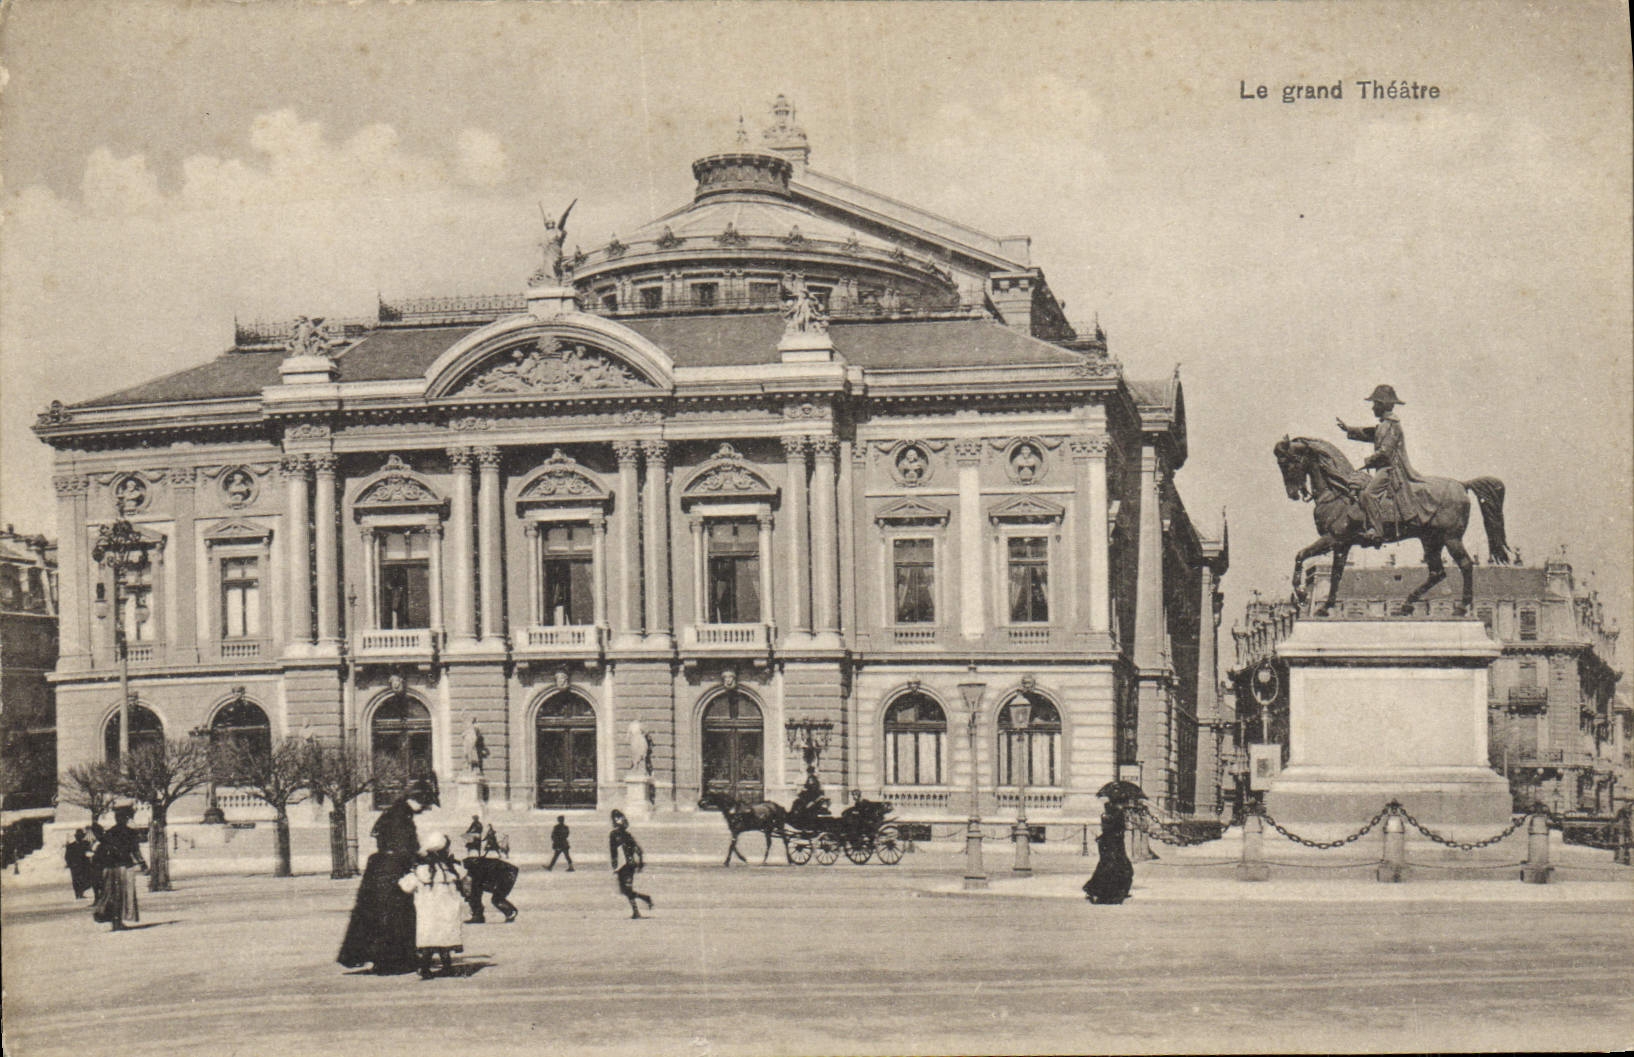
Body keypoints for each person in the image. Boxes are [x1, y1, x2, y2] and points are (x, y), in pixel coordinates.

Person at [337, 775, 437, 975]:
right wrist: (420, 855)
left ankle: (386, 958)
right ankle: (391, 961)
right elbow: (403, 847)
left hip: (382, 869)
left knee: (379, 915)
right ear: (416, 799)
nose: (425, 809)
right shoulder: (401, 817)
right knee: (393, 915)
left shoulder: (396, 813)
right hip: (391, 870)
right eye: (424, 804)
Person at [1337, 384, 1429, 545]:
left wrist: (1367, 461)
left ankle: (1376, 531)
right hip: (1384, 467)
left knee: (1368, 494)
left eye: (1375, 404)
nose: (1373, 408)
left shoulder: (1392, 426)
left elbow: (1385, 452)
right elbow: (1369, 433)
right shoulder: (1384, 425)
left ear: (1383, 405)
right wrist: (1348, 429)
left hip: (1391, 470)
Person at [399, 834, 466, 979]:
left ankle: (425, 968)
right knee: (444, 940)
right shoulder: (451, 868)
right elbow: (465, 881)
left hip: (428, 912)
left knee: (428, 941)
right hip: (448, 911)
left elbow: (405, 886)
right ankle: (447, 966)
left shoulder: (421, 870)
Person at [91, 805, 146, 930]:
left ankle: (114, 921)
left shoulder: (109, 832)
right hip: (124, 867)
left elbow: (102, 848)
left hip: (110, 867)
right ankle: (118, 921)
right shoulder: (131, 833)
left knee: (111, 895)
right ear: (127, 819)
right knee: (123, 895)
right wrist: (142, 863)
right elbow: (135, 850)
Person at [1082, 796, 1134, 905]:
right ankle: (1112, 893)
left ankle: (1096, 890)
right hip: (1114, 845)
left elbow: (1107, 828)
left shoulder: (1107, 813)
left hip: (1108, 844)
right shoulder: (1117, 813)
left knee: (1107, 867)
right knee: (1120, 868)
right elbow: (1118, 830)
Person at [608, 810, 652, 919]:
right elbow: (638, 850)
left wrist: (614, 864)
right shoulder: (625, 835)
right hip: (627, 864)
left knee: (626, 889)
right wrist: (640, 862)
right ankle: (644, 899)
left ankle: (637, 910)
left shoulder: (616, 835)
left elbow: (613, 851)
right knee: (625, 889)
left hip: (626, 865)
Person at [461, 853, 520, 924]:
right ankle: (478, 915)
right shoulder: (472, 866)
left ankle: (510, 912)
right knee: (479, 892)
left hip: (506, 874)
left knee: (496, 899)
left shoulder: (474, 871)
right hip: (507, 872)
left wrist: (469, 896)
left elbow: (473, 890)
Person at [65, 829, 95, 900]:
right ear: (75, 837)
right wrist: (70, 864)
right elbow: (67, 856)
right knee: (76, 880)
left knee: (85, 879)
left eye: (81, 836)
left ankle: (81, 893)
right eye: (78, 836)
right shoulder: (71, 846)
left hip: (84, 865)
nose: (79, 837)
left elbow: (89, 852)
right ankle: (77, 894)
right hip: (75, 866)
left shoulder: (86, 843)